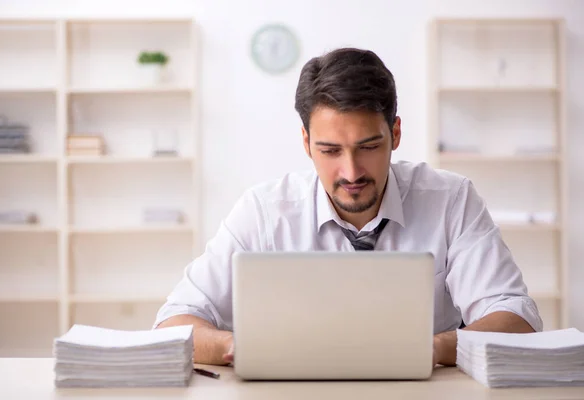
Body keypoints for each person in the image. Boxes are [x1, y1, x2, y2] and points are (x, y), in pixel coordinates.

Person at [154, 47, 542, 367]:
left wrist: (429, 349)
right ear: (306, 143)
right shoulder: (264, 211)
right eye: (330, 150)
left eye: (369, 147)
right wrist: (242, 347)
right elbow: (174, 324)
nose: (351, 171)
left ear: (396, 134)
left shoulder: (451, 199)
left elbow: (517, 318)